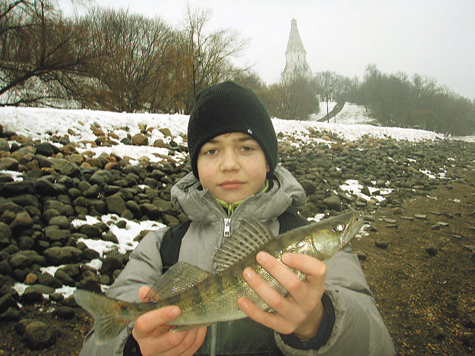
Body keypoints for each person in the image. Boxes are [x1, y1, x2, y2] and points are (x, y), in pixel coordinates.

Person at [79, 81, 395, 356]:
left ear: (269, 161)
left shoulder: (318, 256)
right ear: (196, 165)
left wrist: (319, 323)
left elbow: (378, 346)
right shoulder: (160, 248)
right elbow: (96, 345)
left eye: (246, 147)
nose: (229, 164)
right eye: (211, 151)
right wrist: (134, 347)